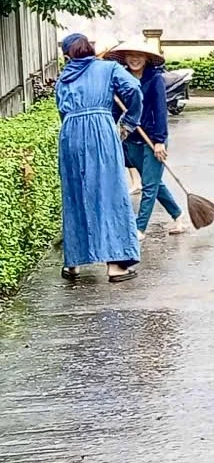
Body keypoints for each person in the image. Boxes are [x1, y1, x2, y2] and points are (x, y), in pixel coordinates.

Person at [55, 34, 144, 284]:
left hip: (70, 134)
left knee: (75, 194)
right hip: (101, 131)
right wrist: (128, 122)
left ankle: (73, 263)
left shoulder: (63, 78)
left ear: (67, 55)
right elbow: (133, 89)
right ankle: (116, 265)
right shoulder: (109, 68)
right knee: (110, 193)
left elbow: (62, 110)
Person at [105, 39, 188, 237]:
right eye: (131, 55)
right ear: (125, 58)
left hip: (153, 138)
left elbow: (160, 111)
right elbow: (116, 110)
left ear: (147, 58)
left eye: (139, 55)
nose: (135, 59)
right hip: (133, 138)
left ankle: (139, 228)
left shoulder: (155, 79)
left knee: (149, 186)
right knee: (154, 182)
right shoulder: (121, 79)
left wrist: (159, 141)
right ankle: (178, 214)